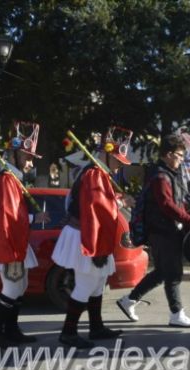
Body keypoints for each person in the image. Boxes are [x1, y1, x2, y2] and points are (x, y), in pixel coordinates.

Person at [53, 127, 131, 348]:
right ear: (105, 154)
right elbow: (97, 209)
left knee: (97, 284)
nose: (118, 165)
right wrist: (120, 203)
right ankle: (68, 332)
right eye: (116, 160)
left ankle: (96, 328)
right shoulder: (94, 174)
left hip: (87, 231)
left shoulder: (97, 173)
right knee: (86, 284)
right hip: (85, 234)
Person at [116, 134, 190, 328]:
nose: (181, 159)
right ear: (169, 154)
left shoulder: (167, 174)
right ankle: (176, 314)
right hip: (163, 232)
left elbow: (178, 201)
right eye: (179, 155)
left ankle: (129, 301)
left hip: (164, 231)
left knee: (162, 272)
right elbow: (167, 205)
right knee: (173, 273)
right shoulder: (161, 177)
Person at [0, 122, 48, 347]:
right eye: (27, 157)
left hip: (15, 239)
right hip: (9, 240)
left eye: (31, 158)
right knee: (12, 287)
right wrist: (34, 219)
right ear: (14, 155)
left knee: (21, 285)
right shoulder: (7, 179)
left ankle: (12, 329)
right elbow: (8, 216)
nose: (30, 162)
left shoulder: (13, 178)